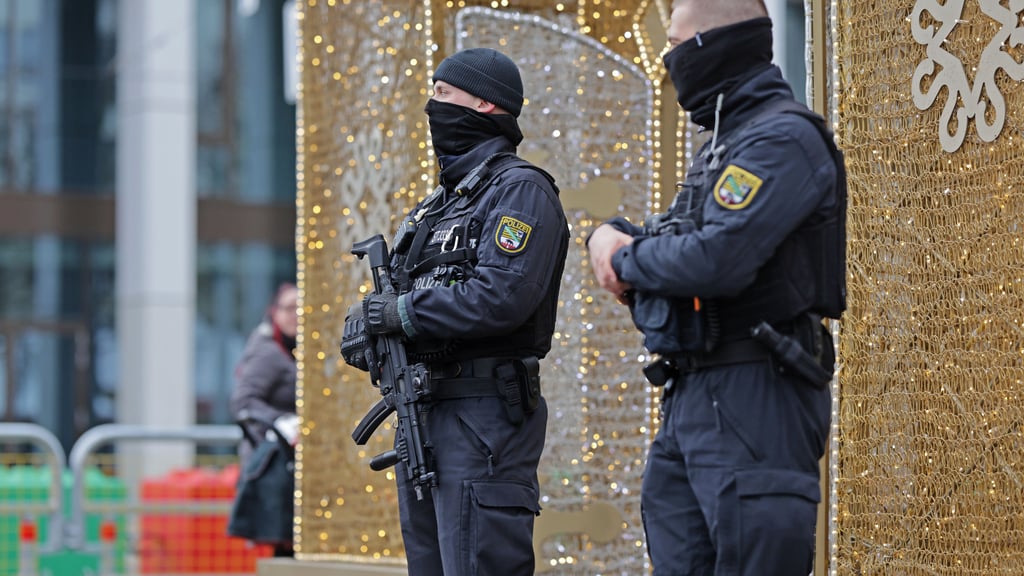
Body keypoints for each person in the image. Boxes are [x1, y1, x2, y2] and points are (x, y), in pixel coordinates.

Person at [587, 0, 847, 574]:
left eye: (676, 44)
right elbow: (670, 238)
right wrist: (609, 239)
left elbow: (714, 259)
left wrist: (623, 256)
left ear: (714, 46)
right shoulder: (722, 149)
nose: (668, 60)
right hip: (693, 390)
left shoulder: (782, 139)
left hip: (757, 389)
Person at [341, 47, 569, 575]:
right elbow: (393, 297)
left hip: (483, 417)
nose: (431, 105)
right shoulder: (435, 208)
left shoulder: (520, 191)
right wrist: (368, 327)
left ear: (486, 103)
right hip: (425, 414)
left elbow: (500, 296)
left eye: (444, 92)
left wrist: (399, 314)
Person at [229, 282, 299, 557]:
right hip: (277, 463)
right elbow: (243, 402)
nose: (296, 314)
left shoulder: (292, 349)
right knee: (284, 544)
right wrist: (287, 422)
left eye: (301, 308)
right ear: (274, 312)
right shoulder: (269, 352)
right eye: (289, 307)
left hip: (289, 465)